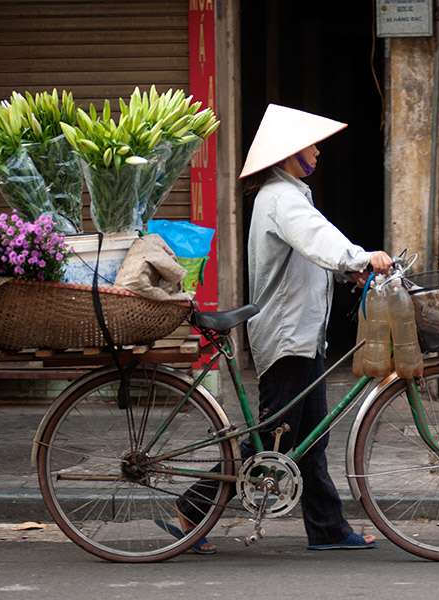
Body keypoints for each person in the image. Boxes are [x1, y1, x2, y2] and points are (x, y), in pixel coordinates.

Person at [164, 104, 392, 553]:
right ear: (290, 153)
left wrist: (349, 271)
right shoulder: (281, 198)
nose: (318, 153)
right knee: (270, 439)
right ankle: (193, 506)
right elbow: (318, 238)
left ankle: (328, 530)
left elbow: (309, 250)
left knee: (310, 439)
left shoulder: (289, 195)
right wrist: (362, 257)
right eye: (312, 145)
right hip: (288, 336)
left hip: (301, 335)